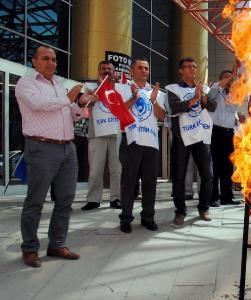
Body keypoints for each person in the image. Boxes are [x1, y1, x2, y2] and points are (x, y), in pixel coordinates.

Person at [15, 46, 93, 267]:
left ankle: (57, 244)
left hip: (67, 148)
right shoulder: (27, 83)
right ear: (34, 62)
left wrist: (81, 106)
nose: (51, 63)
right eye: (46, 59)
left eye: (54, 59)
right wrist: (69, 97)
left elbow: (72, 116)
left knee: (65, 201)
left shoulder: (59, 87)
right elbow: (38, 105)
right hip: (41, 147)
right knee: (35, 201)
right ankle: (30, 248)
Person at [116, 58, 166, 233]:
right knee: (128, 182)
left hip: (151, 142)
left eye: (146, 68)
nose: (144, 71)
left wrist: (153, 101)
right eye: (140, 68)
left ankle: (148, 217)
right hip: (131, 140)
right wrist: (133, 97)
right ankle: (126, 218)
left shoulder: (157, 92)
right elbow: (119, 111)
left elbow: (162, 116)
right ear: (132, 70)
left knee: (150, 183)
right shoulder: (122, 88)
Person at [166, 57, 216, 225]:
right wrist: (194, 99)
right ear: (181, 71)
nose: (192, 69)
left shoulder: (204, 88)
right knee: (179, 176)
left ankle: (204, 207)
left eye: (194, 67)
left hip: (201, 136)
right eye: (188, 67)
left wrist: (203, 97)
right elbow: (174, 107)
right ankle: (180, 211)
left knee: (207, 175)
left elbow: (213, 107)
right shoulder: (173, 89)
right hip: (182, 138)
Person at [80, 61, 122, 211]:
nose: (106, 71)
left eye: (109, 69)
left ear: (114, 72)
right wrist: (101, 85)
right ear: (98, 71)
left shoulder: (120, 88)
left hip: (117, 133)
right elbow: (84, 102)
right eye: (103, 69)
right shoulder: (89, 87)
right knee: (95, 169)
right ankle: (93, 200)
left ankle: (116, 198)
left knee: (116, 169)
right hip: (97, 133)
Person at [208, 70, 243, 207]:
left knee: (228, 167)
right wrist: (228, 77)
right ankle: (213, 197)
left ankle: (227, 197)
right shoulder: (215, 92)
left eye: (230, 78)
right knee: (215, 167)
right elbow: (212, 92)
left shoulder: (234, 95)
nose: (229, 80)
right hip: (215, 132)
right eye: (226, 78)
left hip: (229, 134)